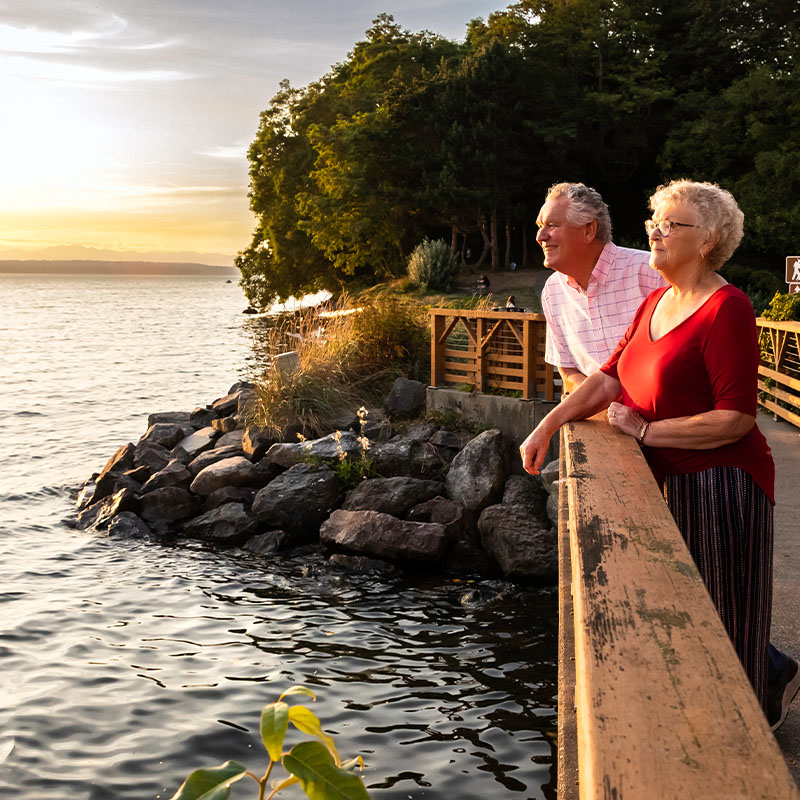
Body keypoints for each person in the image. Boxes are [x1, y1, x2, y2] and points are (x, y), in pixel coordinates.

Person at [522, 179, 798, 730]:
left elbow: (736, 418)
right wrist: (548, 426)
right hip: (667, 477)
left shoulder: (727, 307)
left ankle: (737, 739)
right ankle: (742, 701)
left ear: (708, 241)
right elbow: (606, 377)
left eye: (673, 224)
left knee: (725, 618)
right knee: (687, 611)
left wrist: (646, 433)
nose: (656, 231)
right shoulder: (657, 300)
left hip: (724, 481)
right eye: (656, 221)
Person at [536, 182, 666, 394]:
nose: (540, 237)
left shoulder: (652, 273)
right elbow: (568, 372)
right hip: (598, 420)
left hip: (660, 417)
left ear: (589, 230)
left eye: (552, 225)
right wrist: (605, 403)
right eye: (540, 226)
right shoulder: (552, 291)